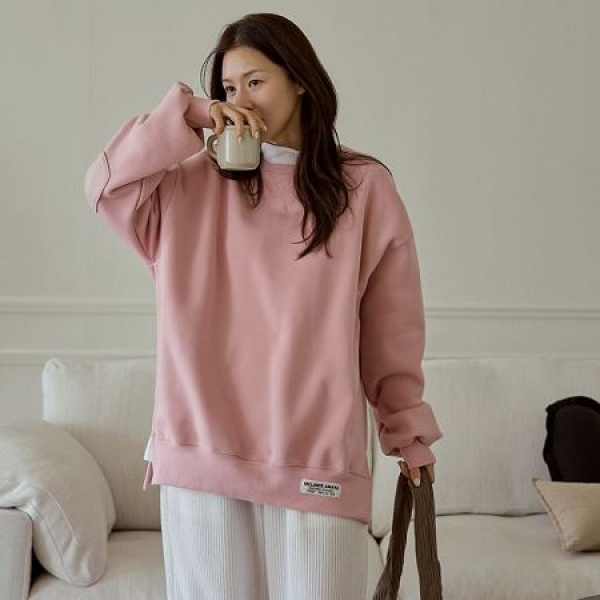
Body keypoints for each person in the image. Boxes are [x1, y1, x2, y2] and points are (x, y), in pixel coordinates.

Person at [83, 11, 443, 600]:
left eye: (256, 81)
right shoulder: (184, 186)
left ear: (299, 79)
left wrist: (407, 430)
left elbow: (391, 324)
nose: (241, 100)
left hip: (316, 463)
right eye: (228, 88)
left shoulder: (363, 187)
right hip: (201, 460)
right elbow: (104, 186)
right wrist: (189, 114)